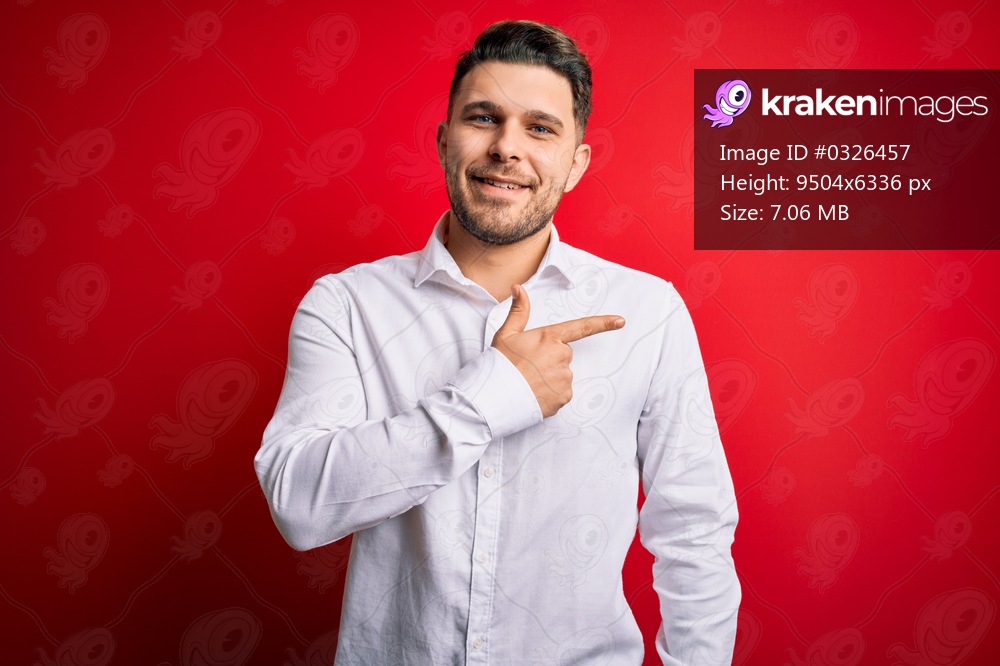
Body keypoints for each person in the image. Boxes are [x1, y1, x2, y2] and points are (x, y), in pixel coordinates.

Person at [255, 19, 740, 665]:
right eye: (484, 118)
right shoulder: (346, 305)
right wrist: (492, 395)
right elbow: (299, 505)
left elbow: (694, 533)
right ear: (444, 140)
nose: (507, 147)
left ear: (575, 163)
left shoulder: (647, 312)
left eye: (540, 128)